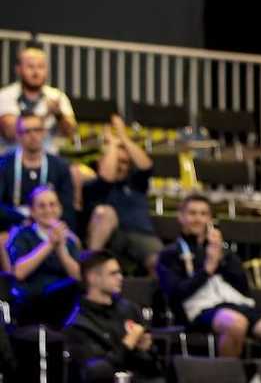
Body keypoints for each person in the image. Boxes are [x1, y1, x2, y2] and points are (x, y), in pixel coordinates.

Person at [157, 194, 261, 359]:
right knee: (236, 323)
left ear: (210, 218)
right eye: (192, 213)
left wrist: (222, 259)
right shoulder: (170, 254)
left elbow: (243, 288)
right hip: (199, 311)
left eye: (203, 214)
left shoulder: (223, 252)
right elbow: (175, 294)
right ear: (181, 217)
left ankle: (259, 378)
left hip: (238, 306)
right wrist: (207, 269)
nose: (198, 218)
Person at [64, 250, 164, 382]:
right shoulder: (79, 325)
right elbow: (95, 372)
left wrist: (147, 349)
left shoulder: (129, 309)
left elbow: (153, 365)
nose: (120, 277)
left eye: (120, 272)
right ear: (93, 278)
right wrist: (128, 344)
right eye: (113, 273)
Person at [82, 115, 162, 274]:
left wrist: (123, 137)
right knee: (105, 213)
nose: (120, 167)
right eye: (116, 161)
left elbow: (146, 166)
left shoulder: (136, 183)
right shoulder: (94, 185)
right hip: (110, 237)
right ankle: (89, 269)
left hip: (140, 235)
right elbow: (106, 177)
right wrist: (112, 144)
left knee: (160, 262)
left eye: (124, 162)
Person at [0, 113, 78, 272]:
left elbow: (67, 206)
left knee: (73, 241)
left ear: (44, 133)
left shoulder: (59, 166)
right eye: (27, 131)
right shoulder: (4, 164)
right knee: (3, 241)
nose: (33, 135)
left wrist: (50, 223)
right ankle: (11, 288)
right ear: (18, 135)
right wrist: (26, 217)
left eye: (37, 130)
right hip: (13, 225)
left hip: (51, 223)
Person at [6, 185, 82, 326]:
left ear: (60, 209)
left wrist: (61, 249)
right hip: (32, 298)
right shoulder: (22, 235)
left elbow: (78, 276)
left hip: (63, 298)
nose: (48, 210)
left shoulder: (70, 240)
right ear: (32, 211)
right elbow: (19, 272)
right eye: (41, 206)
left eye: (52, 205)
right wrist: (49, 245)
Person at [0, 45, 77, 152]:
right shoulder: (6, 95)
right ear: (18, 69)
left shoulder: (56, 96)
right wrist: (46, 116)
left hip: (49, 161)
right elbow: (10, 131)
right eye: (30, 67)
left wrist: (59, 115)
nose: (36, 72)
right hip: (11, 161)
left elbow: (71, 133)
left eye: (41, 67)